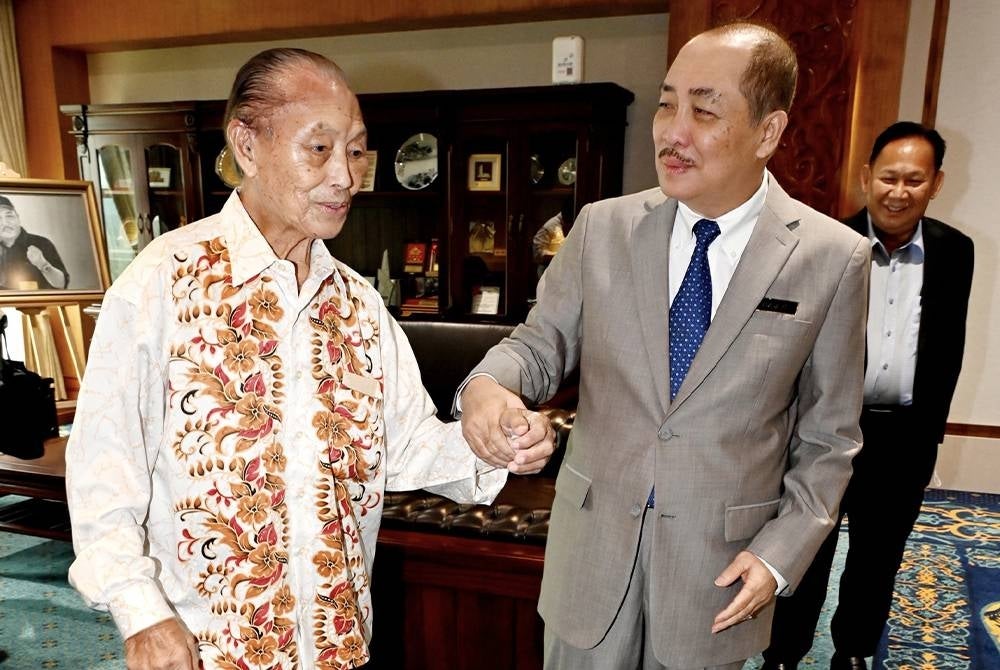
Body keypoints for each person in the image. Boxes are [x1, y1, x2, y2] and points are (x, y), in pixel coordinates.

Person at [65, 48, 554, 670]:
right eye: (318, 149)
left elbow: (406, 446)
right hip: (204, 651)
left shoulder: (358, 306)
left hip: (337, 647)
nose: (345, 176)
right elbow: (104, 469)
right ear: (248, 145)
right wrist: (141, 612)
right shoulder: (163, 284)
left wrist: (498, 442)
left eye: (356, 150)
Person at [458, 22, 871, 670]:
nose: (672, 132)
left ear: (768, 131)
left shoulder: (832, 258)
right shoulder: (601, 228)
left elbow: (828, 440)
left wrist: (778, 556)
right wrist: (486, 388)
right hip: (591, 559)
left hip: (719, 573)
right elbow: (538, 344)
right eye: (665, 103)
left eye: (703, 111)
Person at [763, 122, 975, 670]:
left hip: (904, 436)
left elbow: (947, 350)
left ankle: (854, 650)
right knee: (808, 548)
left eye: (914, 180)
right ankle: (784, 654)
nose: (898, 192)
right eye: (888, 177)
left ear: (936, 184)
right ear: (866, 177)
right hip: (828, 429)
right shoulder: (828, 244)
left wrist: (929, 439)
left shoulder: (955, 252)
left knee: (879, 556)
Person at [0, 195, 69, 290]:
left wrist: (43, 264)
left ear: (18, 218)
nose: (5, 223)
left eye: (9, 216)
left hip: (39, 299)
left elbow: (62, 284)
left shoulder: (41, 243)